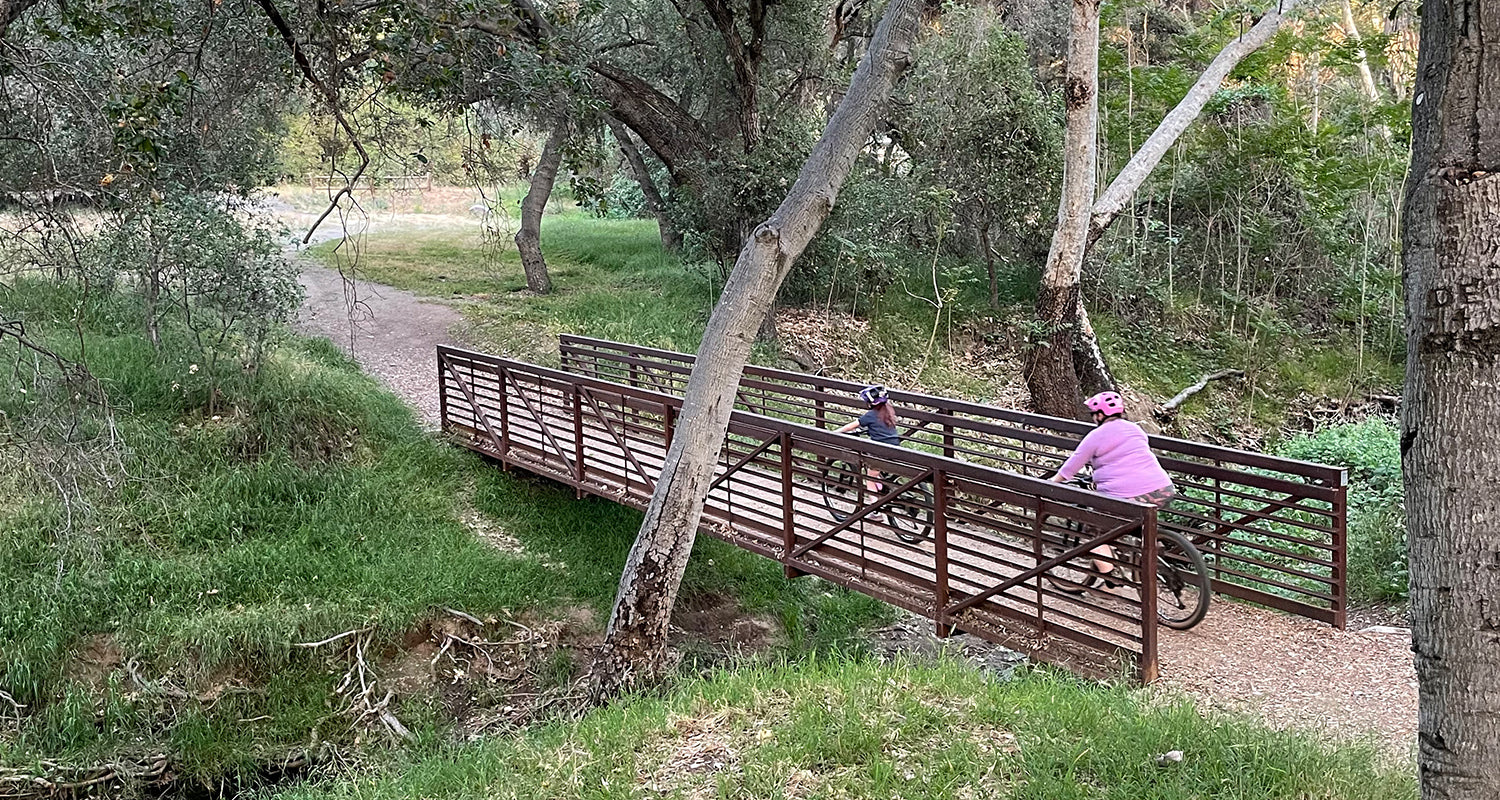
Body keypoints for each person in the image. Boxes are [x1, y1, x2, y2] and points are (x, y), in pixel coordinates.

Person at [1048, 390, 1175, 585]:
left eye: (1093, 414)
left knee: (1092, 531)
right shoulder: (1136, 429)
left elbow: (1069, 469)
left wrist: (1049, 485)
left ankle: (1111, 578)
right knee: (1123, 523)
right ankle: (1145, 554)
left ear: (1099, 415)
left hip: (1130, 496)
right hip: (1163, 489)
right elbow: (1128, 460)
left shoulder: (1096, 436)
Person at [835, 384, 900, 492]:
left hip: (880, 452)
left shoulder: (870, 415)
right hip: (895, 449)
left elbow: (851, 426)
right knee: (876, 468)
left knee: (869, 478)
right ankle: (880, 485)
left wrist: (836, 432)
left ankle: (873, 505)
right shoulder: (889, 412)